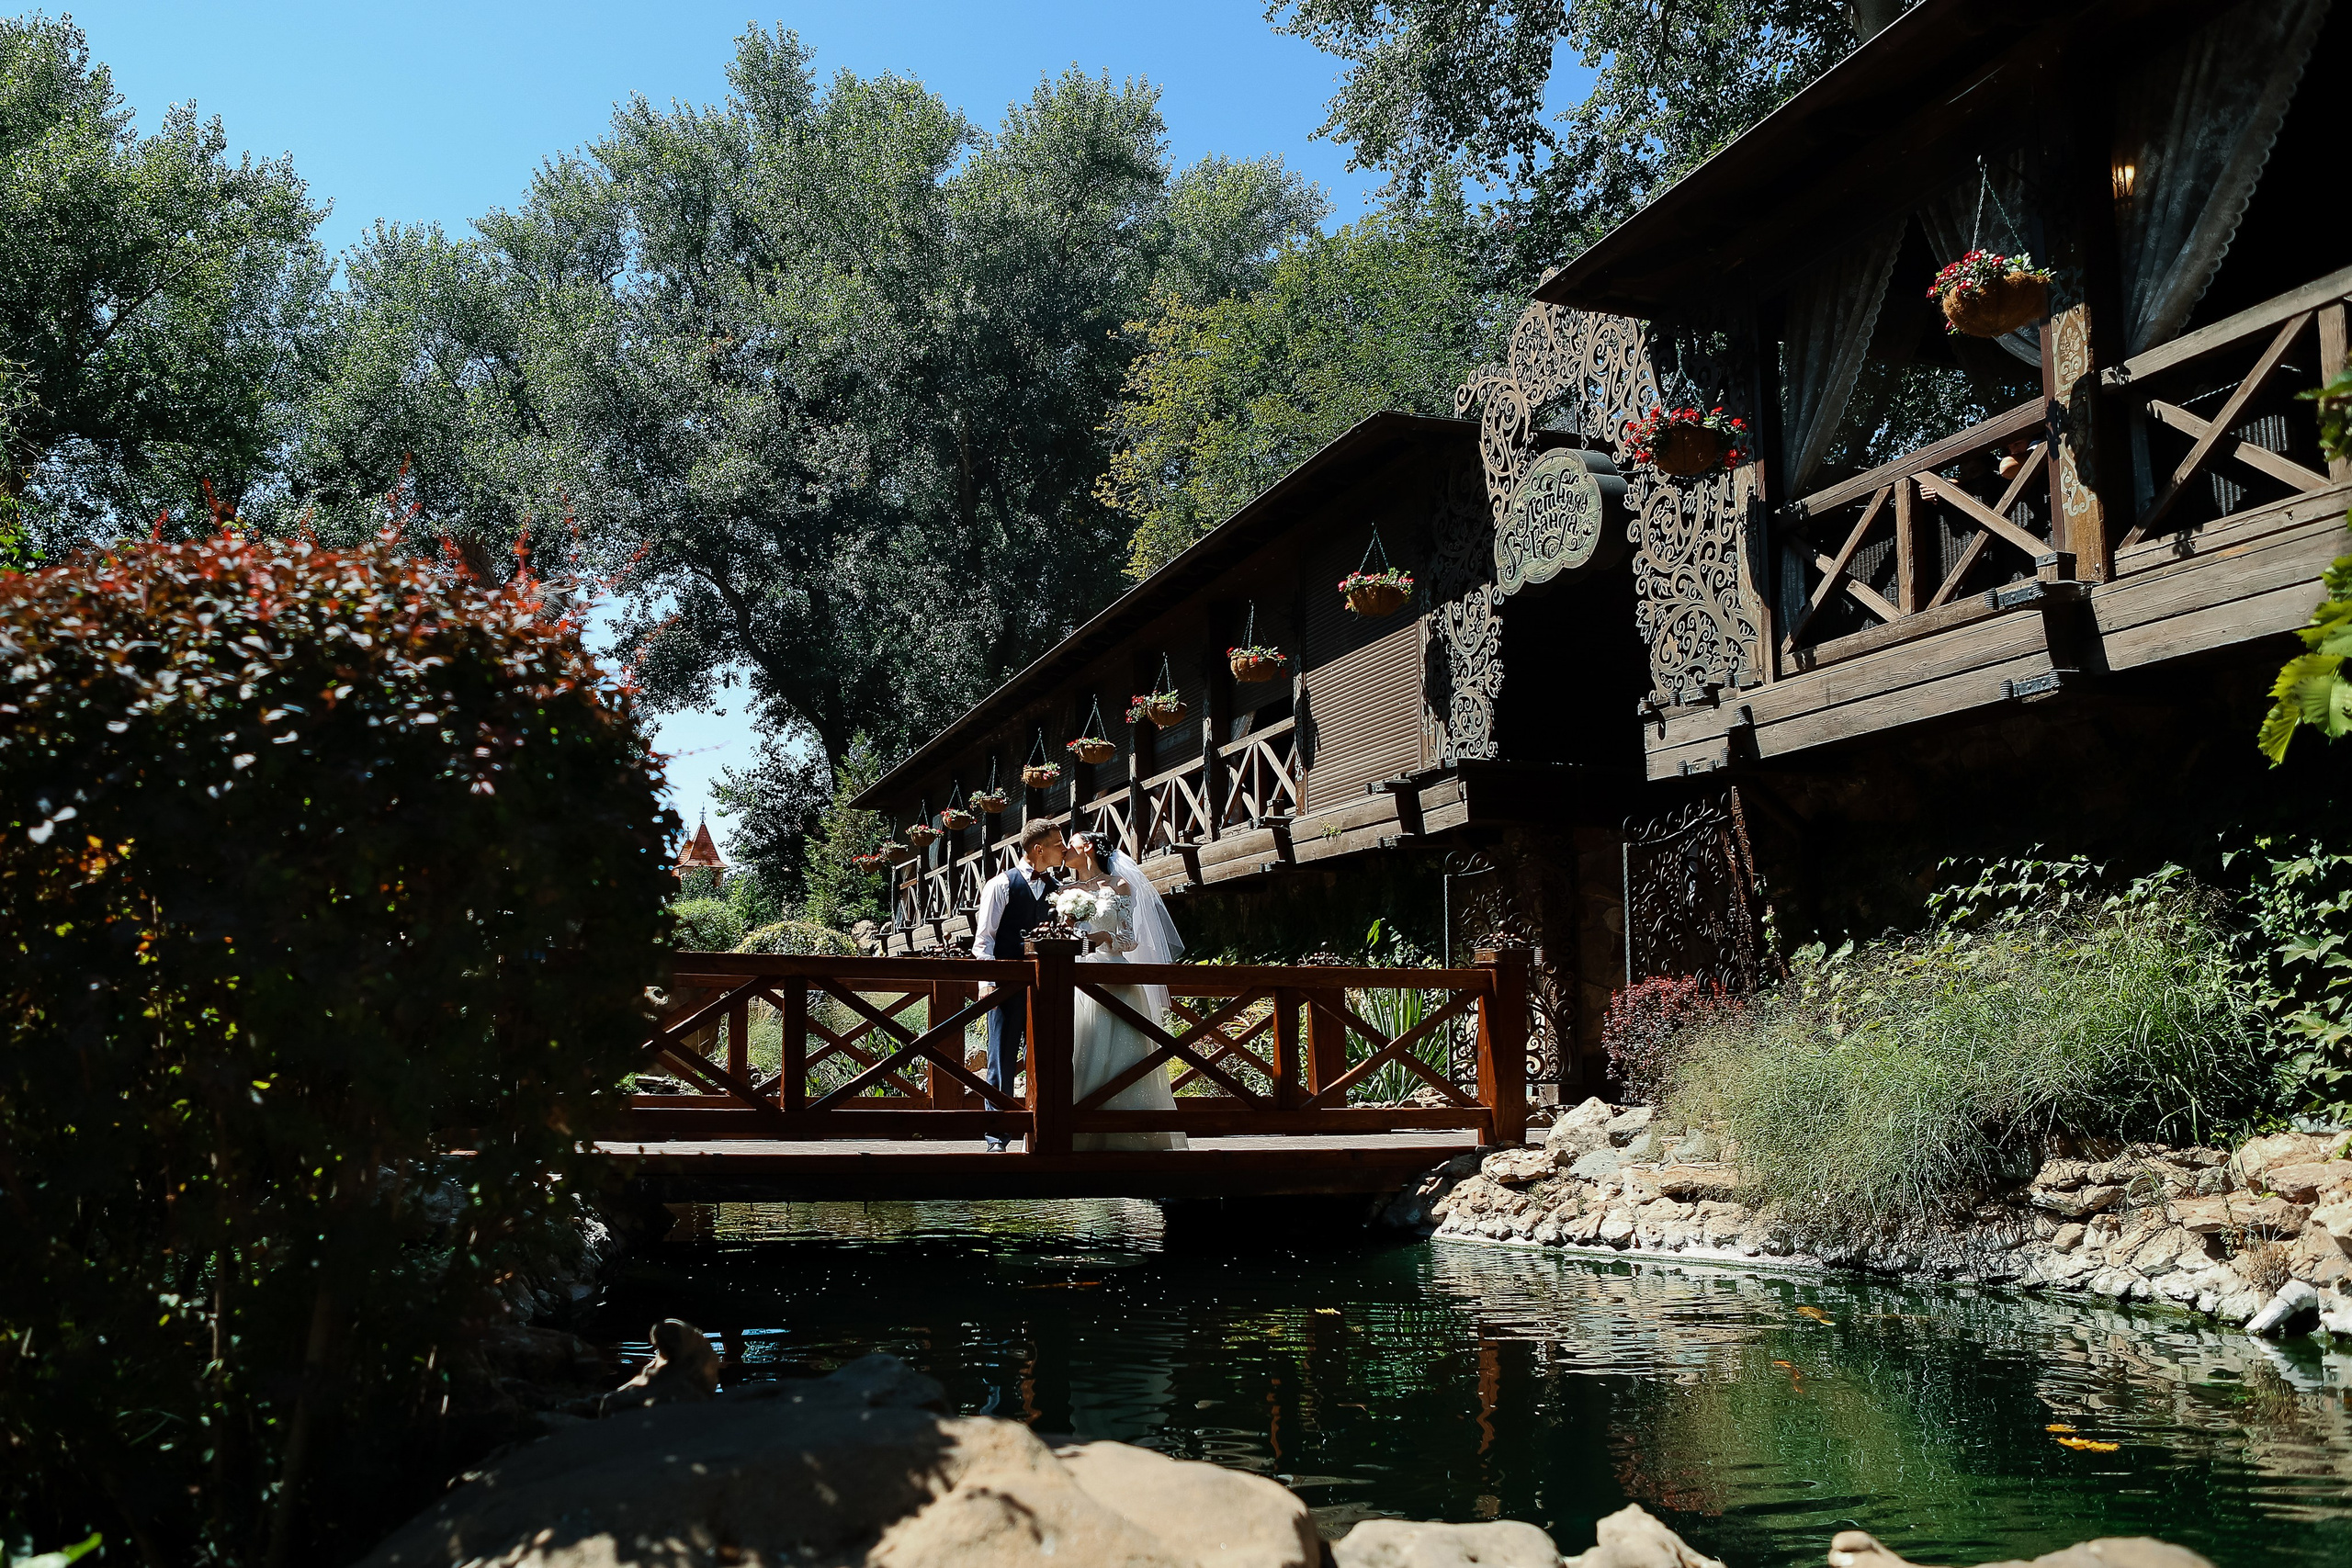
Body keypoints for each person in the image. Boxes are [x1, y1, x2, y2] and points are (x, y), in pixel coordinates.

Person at [1060, 830, 1187, 1153]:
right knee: (1079, 1051)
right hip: (1078, 978)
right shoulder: (1063, 891)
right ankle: (1077, 1134)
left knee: (1123, 1056)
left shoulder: (1119, 885)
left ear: (1087, 847)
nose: (1063, 850)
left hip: (1115, 978)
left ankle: (1129, 1136)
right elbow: (1061, 938)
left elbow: (1130, 940)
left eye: (1070, 844)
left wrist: (1104, 938)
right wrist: (1077, 937)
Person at [967, 819, 1065, 1151]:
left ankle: (1041, 1134)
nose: (1064, 849)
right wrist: (986, 983)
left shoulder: (1059, 889)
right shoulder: (1000, 885)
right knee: (1001, 1059)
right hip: (1006, 986)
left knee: (1046, 1058)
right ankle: (998, 1136)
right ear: (1039, 849)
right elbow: (984, 942)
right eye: (1058, 844)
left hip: (1046, 989)